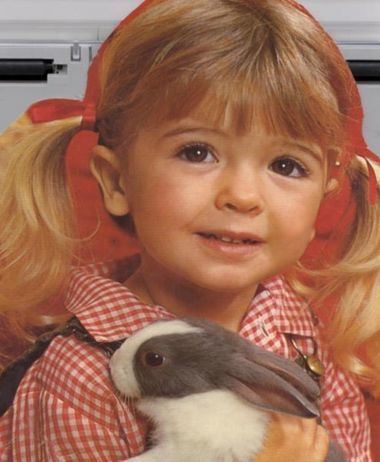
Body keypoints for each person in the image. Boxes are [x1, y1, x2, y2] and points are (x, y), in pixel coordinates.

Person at [0, 0, 379, 460]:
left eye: (286, 165)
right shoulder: (80, 376)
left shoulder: (304, 333)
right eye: (197, 152)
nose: (242, 196)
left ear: (325, 194)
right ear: (118, 181)